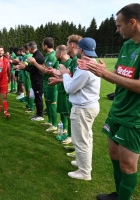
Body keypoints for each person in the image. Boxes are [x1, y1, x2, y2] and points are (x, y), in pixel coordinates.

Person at [82, 4, 140, 200]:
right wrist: (98, 69)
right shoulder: (127, 45)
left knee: (127, 164)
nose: (117, 30)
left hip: (135, 116)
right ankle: (118, 194)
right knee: (113, 153)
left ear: (133, 22)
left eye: (119, 26)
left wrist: (105, 75)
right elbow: (120, 74)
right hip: (117, 110)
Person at [59, 37, 100, 181]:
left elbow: (70, 88)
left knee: (81, 140)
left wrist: (64, 73)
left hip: (82, 108)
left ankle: (84, 172)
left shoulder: (85, 68)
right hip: (89, 106)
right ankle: (83, 162)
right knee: (87, 138)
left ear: (81, 49)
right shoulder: (91, 63)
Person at [16, 41, 45, 121]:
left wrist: (24, 67)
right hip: (35, 79)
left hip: (38, 79)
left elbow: (34, 69)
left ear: (29, 48)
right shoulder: (35, 55)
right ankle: (37, 113)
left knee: (38, 97)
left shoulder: (38, 56)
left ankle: (40, 115)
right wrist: (24, 66)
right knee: (36, 97)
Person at [50, 45, 72, 140]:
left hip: (66, 92)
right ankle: (64, 131)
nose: (55, 54)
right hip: (61, 90)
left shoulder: (70, 62)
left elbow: (70, 78)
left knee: (69, 114)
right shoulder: (61, 63)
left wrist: (58, 80)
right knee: (63, 112)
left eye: (56, 53)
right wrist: (56, 75)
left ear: (60, 53)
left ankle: (70, 136)